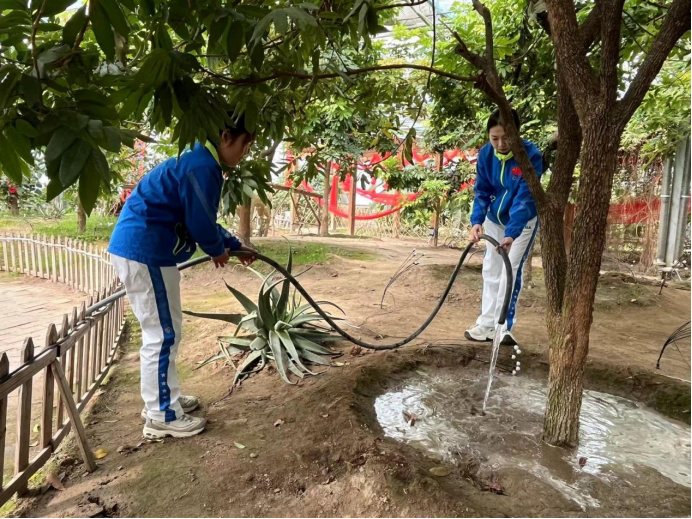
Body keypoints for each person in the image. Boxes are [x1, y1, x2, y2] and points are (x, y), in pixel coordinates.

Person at [108, 116, 258, 439]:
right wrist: (217, 249)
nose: (245, 153)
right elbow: (201, 224)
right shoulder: (203, 166)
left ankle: (165, 400)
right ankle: (161, 414)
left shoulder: (198, 160)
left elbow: (199, 217)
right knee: (162, 334)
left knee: (166, 331)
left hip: (147, 250)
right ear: (226, 136)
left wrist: (233, 245)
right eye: (245, 145)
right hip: (145, 250)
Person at [465, 109, 543, 346]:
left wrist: (511, 234)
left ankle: (503, 327)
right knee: (491, 268)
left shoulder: (530, 155)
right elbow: (482, 191)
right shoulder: (486, 154)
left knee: (511, 270)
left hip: (522, 222)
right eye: (494, 138)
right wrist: (477, 221)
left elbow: (524, 199)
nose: (500, 144)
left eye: (506, 137)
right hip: (494, 219)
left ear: (516, 133)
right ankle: (486, 323)